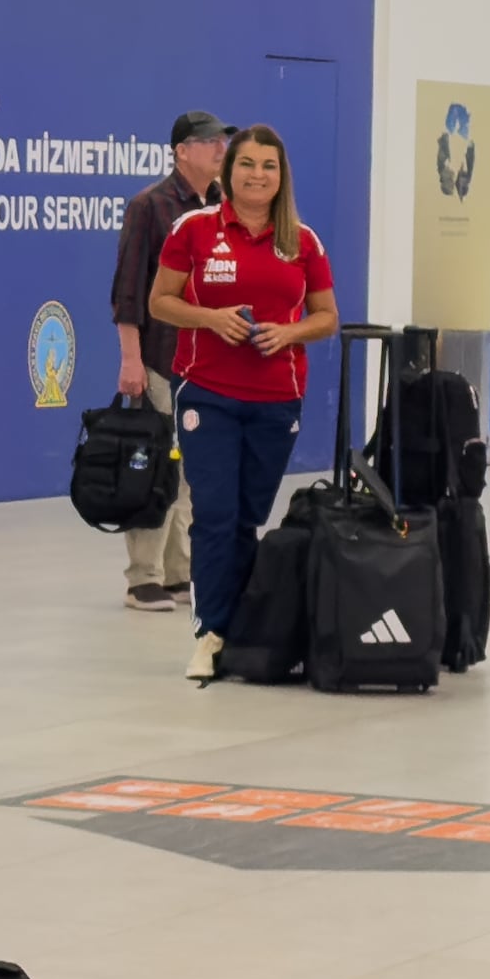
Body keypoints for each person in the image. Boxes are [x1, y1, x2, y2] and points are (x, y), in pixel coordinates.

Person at [153, 124, 339, 683]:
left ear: (282, 177)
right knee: (214, 514)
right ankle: (209, 633)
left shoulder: (303, 242)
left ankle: (243, 629)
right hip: (207, 393)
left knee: (247, 517)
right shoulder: (194, 230)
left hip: (277, 399)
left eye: (269, 166)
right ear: (228, 171)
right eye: (247, 164)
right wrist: (210, 318)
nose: (257, 175)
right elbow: (160, 302)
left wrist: (289, 332)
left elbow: (327, 317)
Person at [108, 110, 226, 606]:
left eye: (223, 141)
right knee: (156, 467)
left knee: (194, 472)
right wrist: (130, 359)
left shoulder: (222, 207)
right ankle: (143, 577)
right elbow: (129, 290)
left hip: (209, 363)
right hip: (161, 358)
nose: (220, 149)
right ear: (182, 151)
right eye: (209, 141)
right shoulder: (150, 207)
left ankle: (181, 572)